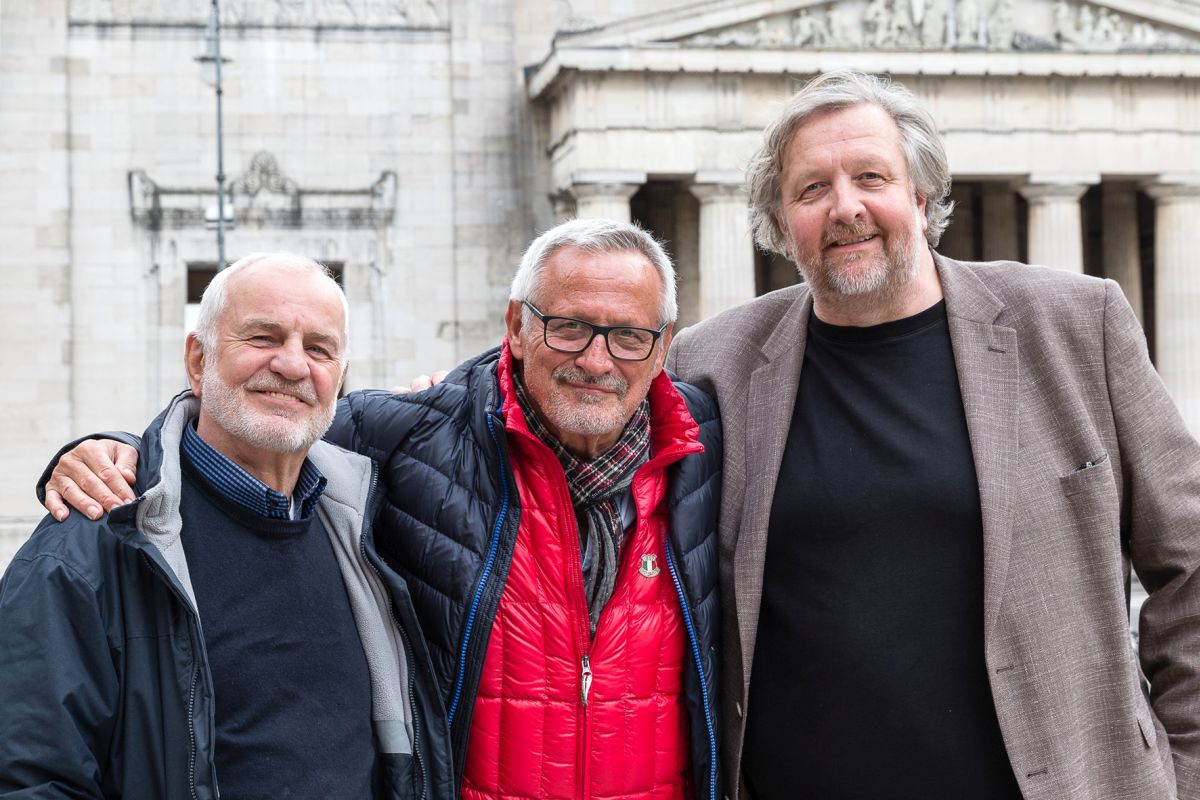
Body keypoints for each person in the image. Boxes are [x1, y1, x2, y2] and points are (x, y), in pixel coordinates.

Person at [37, 220, 723, 800]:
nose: (597, 358)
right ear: (516, 326)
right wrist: (119, 452)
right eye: (568, 327)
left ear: (663, 347)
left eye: (629, 336)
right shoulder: (409, 437)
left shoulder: (711, 451)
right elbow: (252, 433)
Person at [663, 71, 1200, 798]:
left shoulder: (1075, 324)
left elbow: (1190, 560)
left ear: (919, 195)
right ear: (783, 224)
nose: (845, 206)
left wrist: (1188, 768)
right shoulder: (711, 364)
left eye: (870, 176)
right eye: (812, 189)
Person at [0, 253, 452, 798]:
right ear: (197, 360)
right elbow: (30, 778)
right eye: (262, 338)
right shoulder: (90, 542)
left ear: (339, 378)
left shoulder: (371, 534)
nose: (291, 365)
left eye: (318, 348)